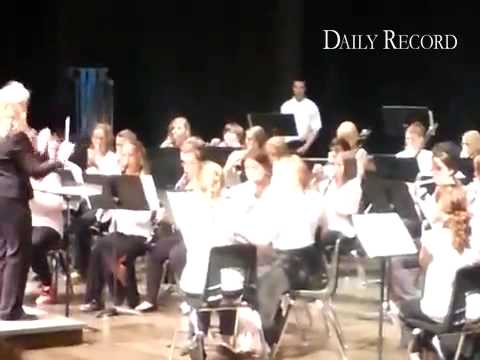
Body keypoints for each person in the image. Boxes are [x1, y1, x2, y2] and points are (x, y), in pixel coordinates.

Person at [0, 81, 65, 320]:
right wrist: (58, 160)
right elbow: (35, 170)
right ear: (18, 106)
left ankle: (2, 305)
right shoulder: (16, 136)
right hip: (13, 199)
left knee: (3, 251)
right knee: (18, 252)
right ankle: (10, 309)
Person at [399, 185, 480, 352]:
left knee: (405, 308)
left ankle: (429, 347)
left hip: (442, 312)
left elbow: (424, 264)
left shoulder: (432, 237)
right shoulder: (475, 238)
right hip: (474, 311)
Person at [30, 137, 65, 305]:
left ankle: (47, 284)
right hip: (29, 222)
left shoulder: (52, 178)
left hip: (49, 225)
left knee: (33, 244)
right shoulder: (25, 178)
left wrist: (33, 200)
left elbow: (59, 204)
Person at [280, 79, 321, 155]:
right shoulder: (285, 106)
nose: (298, 90)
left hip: (304, 145)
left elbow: (315, 129)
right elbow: (282, 129)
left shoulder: (312, 106)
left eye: (301, 87)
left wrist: (306, 146)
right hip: (287, 145)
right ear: (293, 88)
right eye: (296, 87)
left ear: (305, 89)